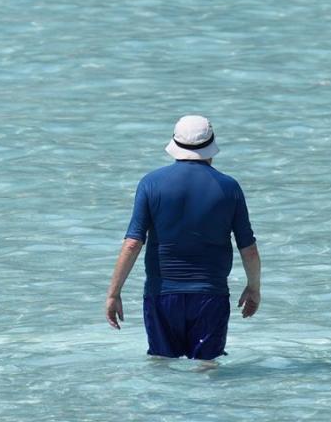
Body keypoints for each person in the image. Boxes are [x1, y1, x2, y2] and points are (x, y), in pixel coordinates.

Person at [105, 115, 260, 364]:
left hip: (161, 296)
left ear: (174, 145)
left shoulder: (150, 184)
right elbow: (248, 249)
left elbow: (133, 243)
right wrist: (254, 289)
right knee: (207, 369)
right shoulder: (229, 188)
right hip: (211, 296)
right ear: (212, 145)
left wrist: (113, 294)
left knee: (162, 367)